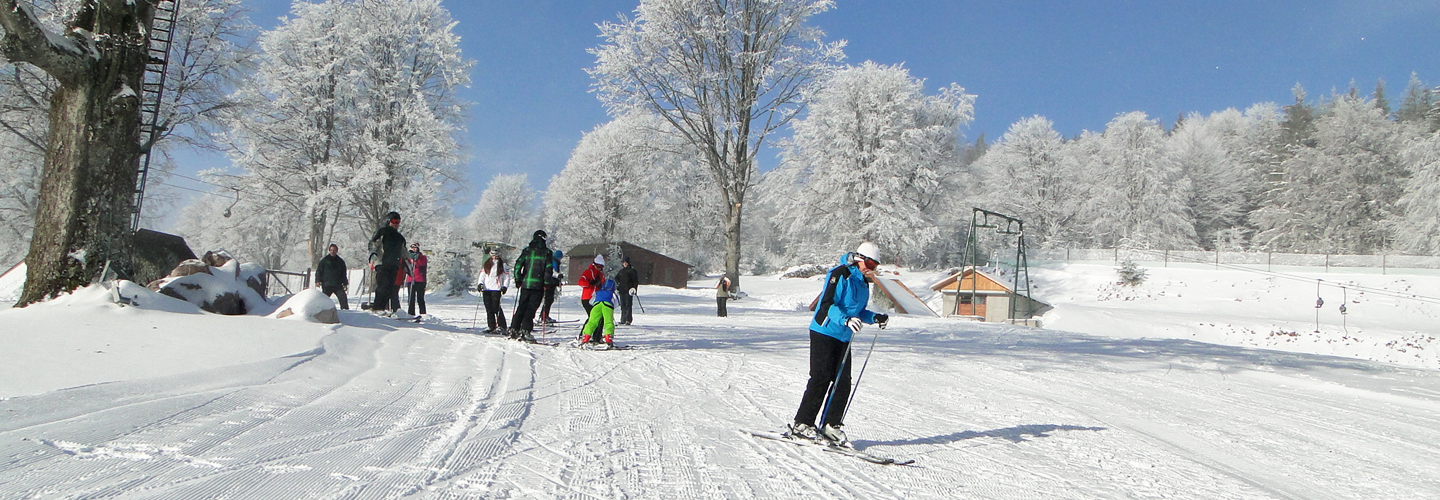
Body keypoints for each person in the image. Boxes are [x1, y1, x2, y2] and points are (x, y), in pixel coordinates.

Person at [786, 242, 890, 448]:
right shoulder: (840, 274)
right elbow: (827, 305)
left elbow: (858, 311)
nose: (871, 268)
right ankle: (802, 424)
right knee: (821, 377)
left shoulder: (863, 283)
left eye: (875, 265)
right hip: (824, 331)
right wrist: (844, 320)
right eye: (869, 262)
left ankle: (830, 425)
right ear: (859, 259)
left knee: (843, 382)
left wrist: (874, 317)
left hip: (843, 336)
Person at [510, 230, 552, 342]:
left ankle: (514, 328)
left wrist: (518, 279)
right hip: (538, 285)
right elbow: (548, 269)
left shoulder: (527, 250)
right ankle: (526, 330)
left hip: (526, 283)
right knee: (531, 308)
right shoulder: (547, 252)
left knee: (522, 306)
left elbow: (518, 265)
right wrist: (547, 282)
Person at [369, 211, 406, 316]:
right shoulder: (382, 232)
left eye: (398, 222)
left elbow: (403, 250)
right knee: (382, 286)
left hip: (394, 264)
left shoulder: (400, 237)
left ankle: (383, 308)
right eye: (394, 221)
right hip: (382, 263)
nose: (396, 224)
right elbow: (373, 243)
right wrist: (373, 254)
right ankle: (377, 308)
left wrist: (409, 258)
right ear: (388, 221)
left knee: (390, 288)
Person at [577, 276, 618, 348]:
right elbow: (617, 303)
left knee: (592, 322)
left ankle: (586, 337)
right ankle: (608, 338)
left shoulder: (598, 292)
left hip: (596, 305)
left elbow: (591, 301)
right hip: (608, 306)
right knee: (608, 322)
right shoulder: (613, 293)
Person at [476, 249, 510, 334]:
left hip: (496, 289)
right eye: (493, 255)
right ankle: (491, 326)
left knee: (496, 308)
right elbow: (482, 275)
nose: (494, 257)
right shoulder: (487, 264)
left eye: (496, 255)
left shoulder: (503, 265)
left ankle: (501, 326)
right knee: (489, 308)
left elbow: (506, 277)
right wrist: (480, 283)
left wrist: (505, 286)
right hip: (487, 289)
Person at [316, 243, 350, 310]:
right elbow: (319, 271)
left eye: (334, 250)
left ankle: (345, 311)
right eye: (331, 250)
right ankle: (321, 310)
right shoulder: (324, 261)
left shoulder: (340, 262)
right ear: (329, 251)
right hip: (327, 284)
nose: (332, 251)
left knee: (343, 298)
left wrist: (345, 283)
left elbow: (343, 274)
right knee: (323, 300)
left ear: (337, 251)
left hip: (338, 285)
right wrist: (317, 280)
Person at [539, 249, 563, 324]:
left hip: (551, 283)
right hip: (549, 283)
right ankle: (544, 316)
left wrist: (558, 281)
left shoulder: (555, 261)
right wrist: (558, 277)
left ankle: (544, 315)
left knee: (549, 300)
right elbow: (552, 272)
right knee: (548, 300)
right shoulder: (554, 261)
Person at [406, 242, 428, 317]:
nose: (414, 249)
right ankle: (411, 313)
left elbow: (422, 264)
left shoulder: (422, 257)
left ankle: (423, 314)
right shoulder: (409, 257)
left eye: (415, 247)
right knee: (411, 298)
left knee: (420, 298)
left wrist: (416, 259)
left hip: (420, 280)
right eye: (412, 247)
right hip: (411, 279)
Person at [615, 256, 639, 325]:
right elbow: (616, 278)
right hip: (622, 290)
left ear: (628, 263)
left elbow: (635, 281)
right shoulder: (621, 271)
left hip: (629, 291)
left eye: (626, 262)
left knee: (628, 305)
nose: (625, 264)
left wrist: (634, 288)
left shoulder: (632, 271)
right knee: (623, 305)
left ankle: (628, 320)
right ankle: (623, 319)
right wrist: (618, 285)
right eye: (624, 262)